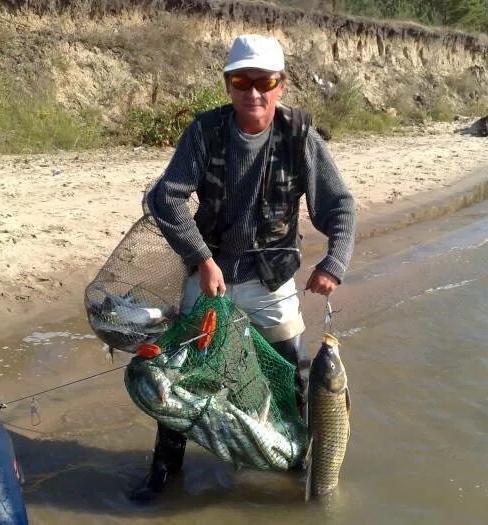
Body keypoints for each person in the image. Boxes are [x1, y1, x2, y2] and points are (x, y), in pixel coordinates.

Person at [131, 34, 356, 501]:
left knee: (294, 372)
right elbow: (166, 198)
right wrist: (201, 259)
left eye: (264, 82)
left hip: (272, 280)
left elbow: (339, 207)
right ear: (228, 85)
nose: (253, 93)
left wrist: (333, 262)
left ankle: (297, 465)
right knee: (181, 374)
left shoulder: (300, 137)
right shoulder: (205, 132)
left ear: (281, 85)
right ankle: (164, 469)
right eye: (241, 81)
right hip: (209, 276)